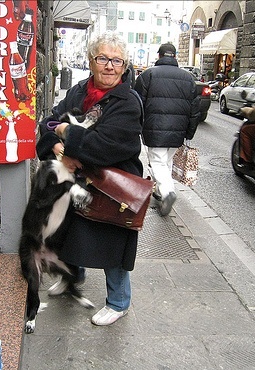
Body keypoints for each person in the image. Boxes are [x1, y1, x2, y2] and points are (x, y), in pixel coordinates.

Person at [36, 31, 143, 326]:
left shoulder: (128, 102)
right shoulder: (79, 91)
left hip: (113, 185)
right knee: (71, 232)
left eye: (116, 60)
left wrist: (64, 134)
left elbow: (104, 146)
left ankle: (119, 302)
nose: (109, 66)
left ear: (124, 66)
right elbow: (48, 122)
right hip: (77, 181)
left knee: (112, 243)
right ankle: (73, 278)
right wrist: (59, 146)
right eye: (103, 58)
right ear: (91, 61)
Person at [134, 43, 200, 216]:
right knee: (166, 162)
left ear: (159, 56)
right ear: (175, 56)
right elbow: (195, 109)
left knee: (157, 162)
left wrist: (136, 127)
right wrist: (189, 132)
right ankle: (160, 192)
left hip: (154, 128)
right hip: (178, 131)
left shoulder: (148, 75)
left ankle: (168, 192)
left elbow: (137, 103)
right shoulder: (188, 78)